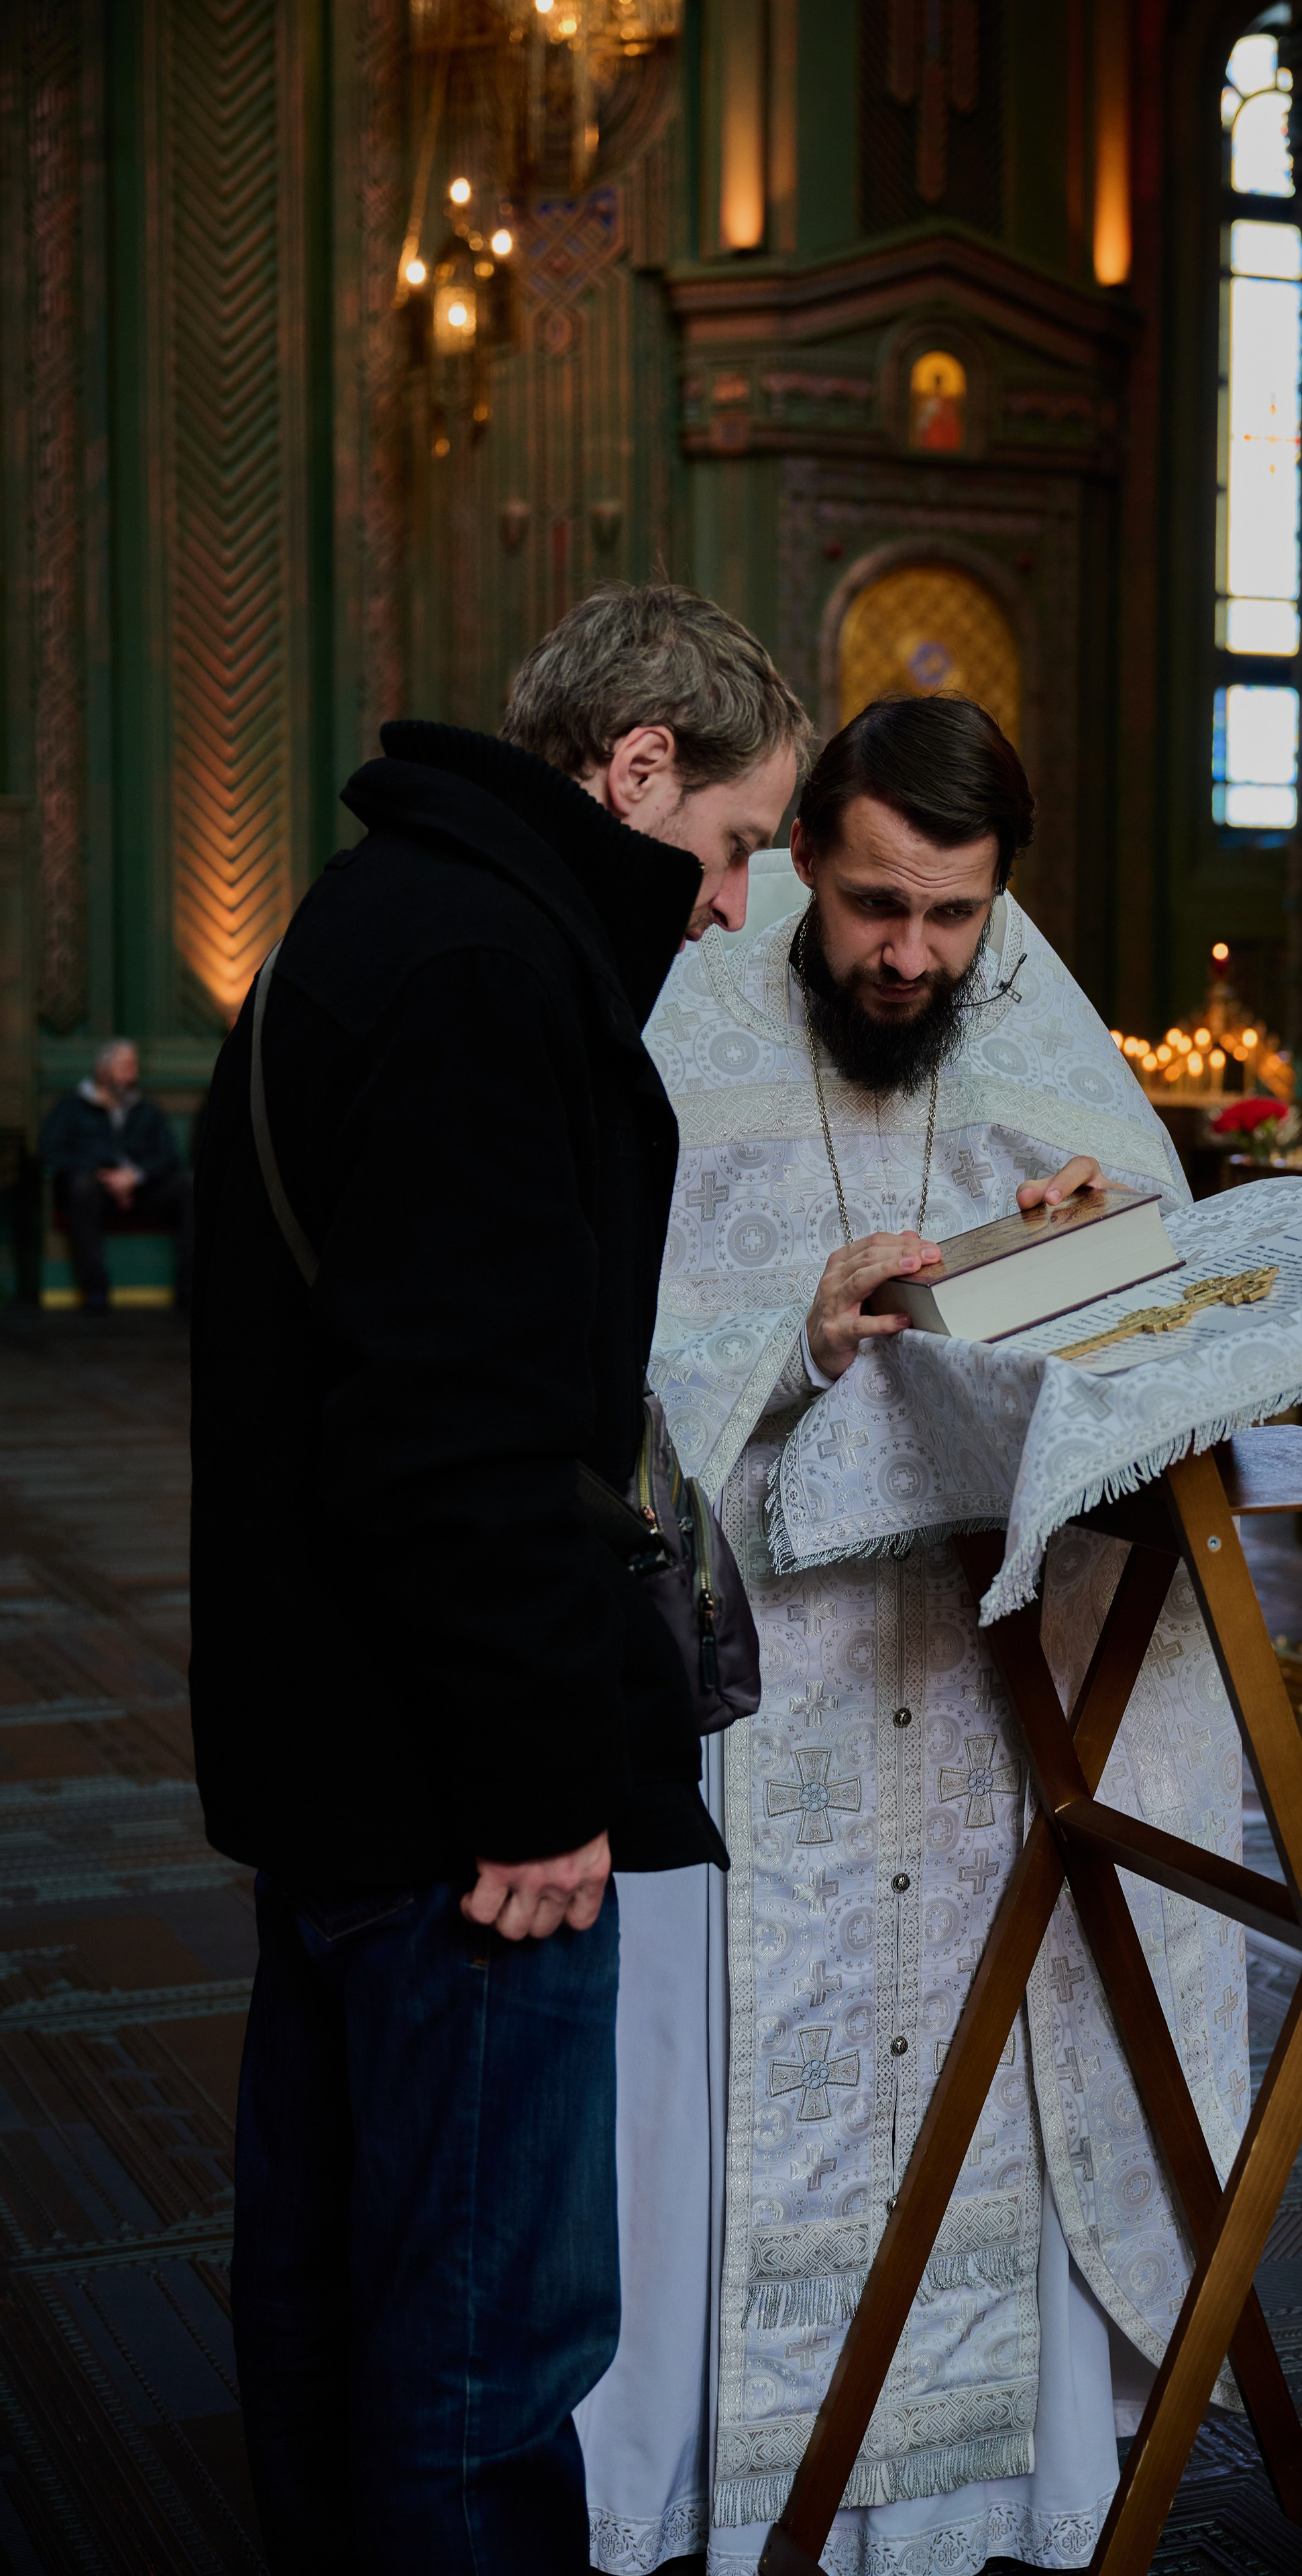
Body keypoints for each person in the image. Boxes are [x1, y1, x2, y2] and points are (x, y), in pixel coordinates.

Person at [575, 695, 1251, 2576]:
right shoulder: (693, 1023)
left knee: (985, 2082)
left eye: (952, 916)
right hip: (761, 1680)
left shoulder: (1031, 1010)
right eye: (876, 906)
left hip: (975, 1682)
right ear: (803, 861)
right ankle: (709, 2495)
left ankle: (970, 2500)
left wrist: (1079, 1250)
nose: (912, 956)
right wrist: (795, 1332)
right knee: (725, 2106)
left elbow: (1154, 1301)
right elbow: (599, 1359)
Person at [189, 582, 809, 2574]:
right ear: (638, 769)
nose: (730, 906)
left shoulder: (384, 913)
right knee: (485, 2346)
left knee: (334, 2285)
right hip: (458, 1793)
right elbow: (456, 1445)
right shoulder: (489, 967)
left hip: (338, 1748)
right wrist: (545, 1783)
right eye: (730, 849)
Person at [40, 1037, 193, 1311]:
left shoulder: (147, 1109)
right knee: (82, 1188)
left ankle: (191, 1289)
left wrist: (135, 1176)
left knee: (189, 1185)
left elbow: (169, 1155)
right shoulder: (71, 1107)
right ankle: (96, 1290)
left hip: (143, 1191)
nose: (132, 1074)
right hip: (96, 1192)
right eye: (125, 1066)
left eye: (134, 1067)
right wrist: (103, 1174)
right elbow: (52, 1153)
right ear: (103, 1069)